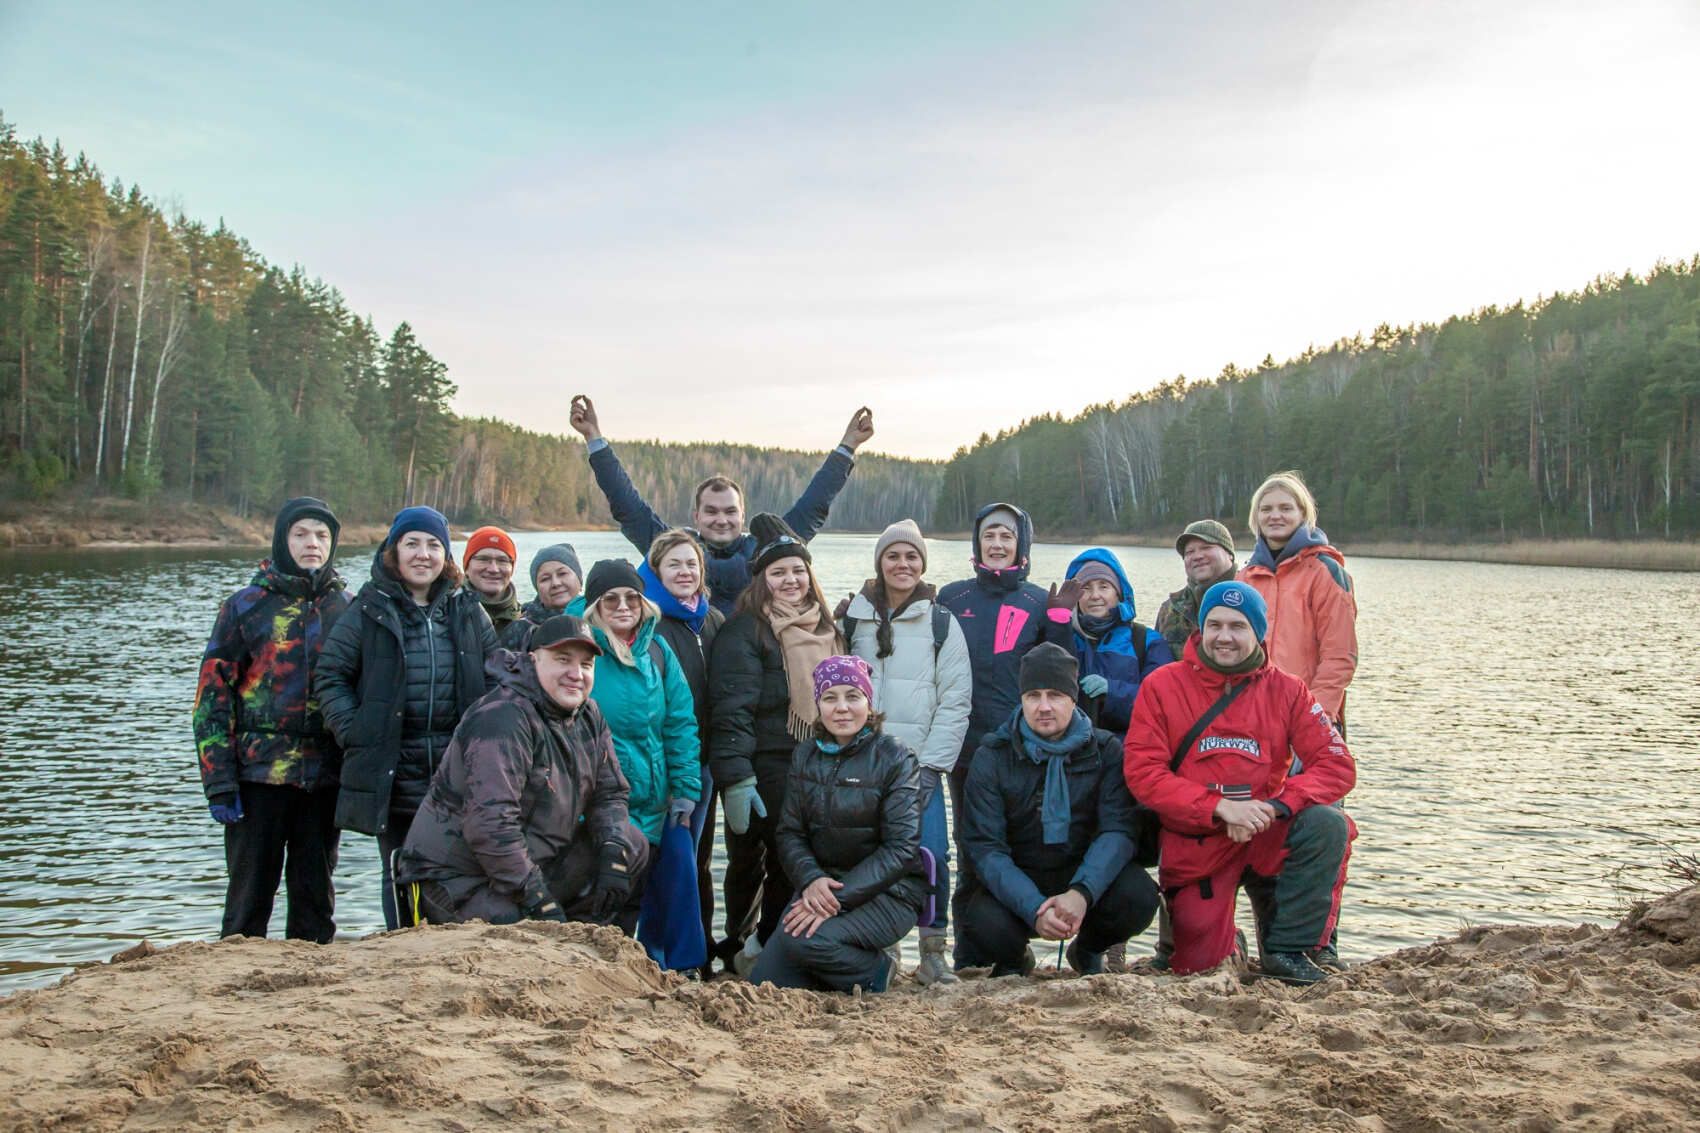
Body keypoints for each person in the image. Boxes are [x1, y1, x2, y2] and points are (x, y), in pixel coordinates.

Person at [1123, 582, 1356, 985]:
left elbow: (1336, 766)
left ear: (1259, 632)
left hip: (1264, 830)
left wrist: (1277, 807)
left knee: (1328, 824)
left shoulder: (1289, 689)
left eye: (1237, 626)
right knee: (1198, 965)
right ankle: (1228, 941)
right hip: (1198, 839)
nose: (1224, 637)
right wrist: (1217, 807)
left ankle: (1291, 948)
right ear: (1201, 628)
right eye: (1214, 625)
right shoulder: (1162, 685)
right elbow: (1144, 774)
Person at [315, 505, 501, 930]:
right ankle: (402, 945)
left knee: (461, 869)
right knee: (401, 869)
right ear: (393, 551)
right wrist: (357, 732)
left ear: (446, 556)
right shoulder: (368, 610)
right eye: (412, 543)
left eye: (434, 545)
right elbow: (330, 677)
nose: (423, 554)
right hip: (394, 768)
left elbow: (498, 683)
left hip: (458, 770)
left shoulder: (467, 610)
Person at [395, 616, 648, 925]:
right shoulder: (502, 717)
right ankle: (544, 922)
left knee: (631, 844)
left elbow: (610, 794)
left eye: (586, 664)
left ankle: (578, 939)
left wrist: (612, 853)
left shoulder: (589, 714)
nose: (576, 674)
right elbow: (491, 824)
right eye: (563, 660)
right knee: (511, 919)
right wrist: (535, 895)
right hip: (454, 878)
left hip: (532, 862)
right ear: (533, 659)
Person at [193, 497, 352, 943]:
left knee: (315, 903)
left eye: (322, 536)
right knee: (247, 903)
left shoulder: (348, 607)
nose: (312, 544)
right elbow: (211, 697)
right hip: (256, 778)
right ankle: (232, 995)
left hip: (323, 781)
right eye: (301, 534)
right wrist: (219, 782)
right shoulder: (244, 606)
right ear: (283, 541)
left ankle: (310, 996)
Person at [568, 394, 876, 613]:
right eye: (711, 511)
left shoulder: (766, 551)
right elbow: (628, 506)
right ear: (697, 516)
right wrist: (594, 439)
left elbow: (813, 507)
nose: (721, 519)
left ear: (742, 516)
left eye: (730, 511)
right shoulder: (673, 552)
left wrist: (848, 447)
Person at [959, 643, 1160, 977]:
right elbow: (984, 847)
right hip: (1022, 873)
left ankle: (1088, 950)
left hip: (1082, 872)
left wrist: (1081, 893)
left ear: (1073, 698)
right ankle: (1015, 958)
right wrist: (1033, 907)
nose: (1044, 707)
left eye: (1055, 695)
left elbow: (1119, 831)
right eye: (1033, 695)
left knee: (1138, 895)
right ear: (1021, 699)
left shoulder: (1106, 750)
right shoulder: (993, 756)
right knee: (979, 918)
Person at [937, 502, 1074, 965]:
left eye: (1007, 537)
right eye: (989, 535)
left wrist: (1061, 628)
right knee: (971, 850)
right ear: (977, 543)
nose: (997, 544)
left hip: (1024, 752)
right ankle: (968, 954)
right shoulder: (951, 599)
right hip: (966, 750)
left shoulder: (1038, 601)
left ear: (1022, 545)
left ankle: (1016, 944)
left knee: (1018, 847)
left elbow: (1060, 680)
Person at [708, 513, 844, 973]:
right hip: (767, 765)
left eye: (798, 570)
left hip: (821, 762)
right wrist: (737, 777)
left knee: (804, 859)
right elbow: (731, 708)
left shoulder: (829, 628)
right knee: (773, 861)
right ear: (763, 580)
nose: (791, 580)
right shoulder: (746, 629)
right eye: (779, 572)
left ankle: (778, 944)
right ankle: (750, 945)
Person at [839, 519, 970, 985]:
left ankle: (933, 951)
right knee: (871, 857)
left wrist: (934, 766)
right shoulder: (852, 618)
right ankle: (883, 947)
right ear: (879, 562)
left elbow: (955, 701)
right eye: (893, 555)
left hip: (919, 766)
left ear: (922, 564)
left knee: (932, 854)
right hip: (864, 765)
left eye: (912, 556)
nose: (903, 564)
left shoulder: (941, 622)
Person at [749, 656, 924, 993]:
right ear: (818, 705)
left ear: (868, 704)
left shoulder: (896, 757)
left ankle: (877, 969)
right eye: (830, 698)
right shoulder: (804, 755)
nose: (842, 708)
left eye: (852, 696)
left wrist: (838, 900)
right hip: (821, 885)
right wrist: (812, 880)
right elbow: (790, 833)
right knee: (766, 981)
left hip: (889, 893)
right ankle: (840, 968)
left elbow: (901, 849)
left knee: (805, 943)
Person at [580, 558, 702, 933]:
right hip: (598, 814)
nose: (622, 607)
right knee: (598, 908)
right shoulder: (583, 653)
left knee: (635, 906)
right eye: (610, 599)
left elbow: (680, 724)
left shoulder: (658, 652)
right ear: (594, 606)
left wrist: (685, 788)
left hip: (653, 808)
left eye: (631, 598)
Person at [638, 528, 726, 968]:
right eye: (674, 564)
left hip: (704, 763)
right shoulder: (650, 622)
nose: (685, 571)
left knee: (692, 863)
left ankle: (691, 954)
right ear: (656, 570)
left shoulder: (711, 620)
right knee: (669, 864)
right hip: (667, 765)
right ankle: (660, 955)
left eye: (691, 563)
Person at [1237, 473, 1358, 732]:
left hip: (1309, 718)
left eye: (1285, 508)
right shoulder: (1245, 577)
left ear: (1303, 514)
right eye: (1266, 509)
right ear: (1256, 517)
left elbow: (1339, 656)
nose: (1275, 516)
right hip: (1250, 719)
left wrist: (1316, 715)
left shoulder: (1325, 572)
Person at [1062, 547, 1175, 737]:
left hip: (1129, 753)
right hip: (1072, 756)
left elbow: (1164, 701)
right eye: (1086, 588)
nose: (1095, 595)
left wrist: (1112, 692)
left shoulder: (1146, 641)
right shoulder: (1062, 637)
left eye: (1104, 586)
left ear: (1119, 593)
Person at [1154, 520, 1240, 657]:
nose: (1197, 556)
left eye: (1206, 547)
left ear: (1229, 553)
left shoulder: (1252, 599)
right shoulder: (1170, 609)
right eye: (1189, 552)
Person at [502, 543, 585, 649]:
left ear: (579, 579)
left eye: (562, 574)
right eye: (545, 579)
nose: (555, 583)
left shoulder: (599, 618)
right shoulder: (519, 630)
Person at [461, 526, 524, 639]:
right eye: (483, 559)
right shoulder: (445, 615)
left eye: (502, 561)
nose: (493, 569)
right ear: (467, 567)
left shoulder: (526, 622)